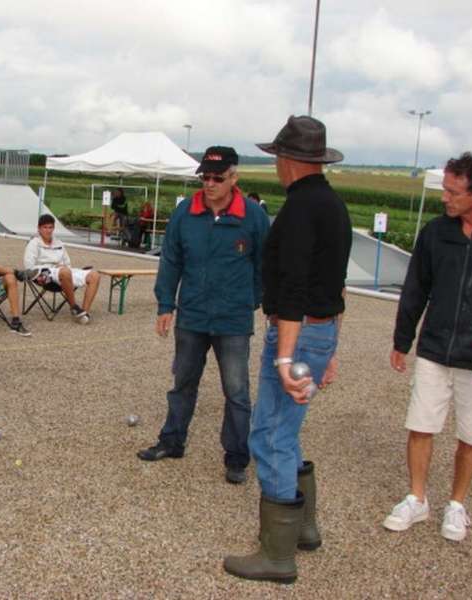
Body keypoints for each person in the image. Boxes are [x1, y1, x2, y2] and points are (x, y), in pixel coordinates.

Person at [224, 116, 352, 584]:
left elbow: (296, 287)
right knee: (288, 429)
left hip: (296, 334)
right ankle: (305, 530)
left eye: (278, 156)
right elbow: (335, 284)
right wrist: (329, 348)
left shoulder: (300, 209)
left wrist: (284, 358)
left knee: (271, 434)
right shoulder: (333, 205)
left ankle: (277, 556)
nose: (275, 164)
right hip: (319, 331)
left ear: (290, 160)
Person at [383, 153, 472, 543]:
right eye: (444, 189)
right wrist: (403, 340)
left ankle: (456, 504)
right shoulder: (435, 232)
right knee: (421, 425)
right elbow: (416, 288)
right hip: (435, 348)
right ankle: (417, 498)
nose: (444, 198)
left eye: (453, 192)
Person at [137, 146, 269, 485]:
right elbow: (171, 260)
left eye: (217, 178)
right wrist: (166, 304)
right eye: (205, 177)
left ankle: (237, 457)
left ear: (233, 178)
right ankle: (172, 441)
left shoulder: (253, 216)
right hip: (192, 316)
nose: (209, 184)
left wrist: (252, 301)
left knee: (236, 390)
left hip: (233, 321)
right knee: (182, 383)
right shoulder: (185, 213)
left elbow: (265, 266)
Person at [23, 214, 101, 324]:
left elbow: (67, 264)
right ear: (39, 228)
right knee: (64, 272)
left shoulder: (59, 243)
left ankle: (83, 313)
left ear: (53, 228)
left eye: (50, 227)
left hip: (63, 273)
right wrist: (52, 268)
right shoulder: (33, 244)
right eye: (45, 227)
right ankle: (74, 307)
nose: (48, 230)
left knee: (95, 275)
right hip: (43, 275)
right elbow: (29, 268)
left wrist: (62, 268)